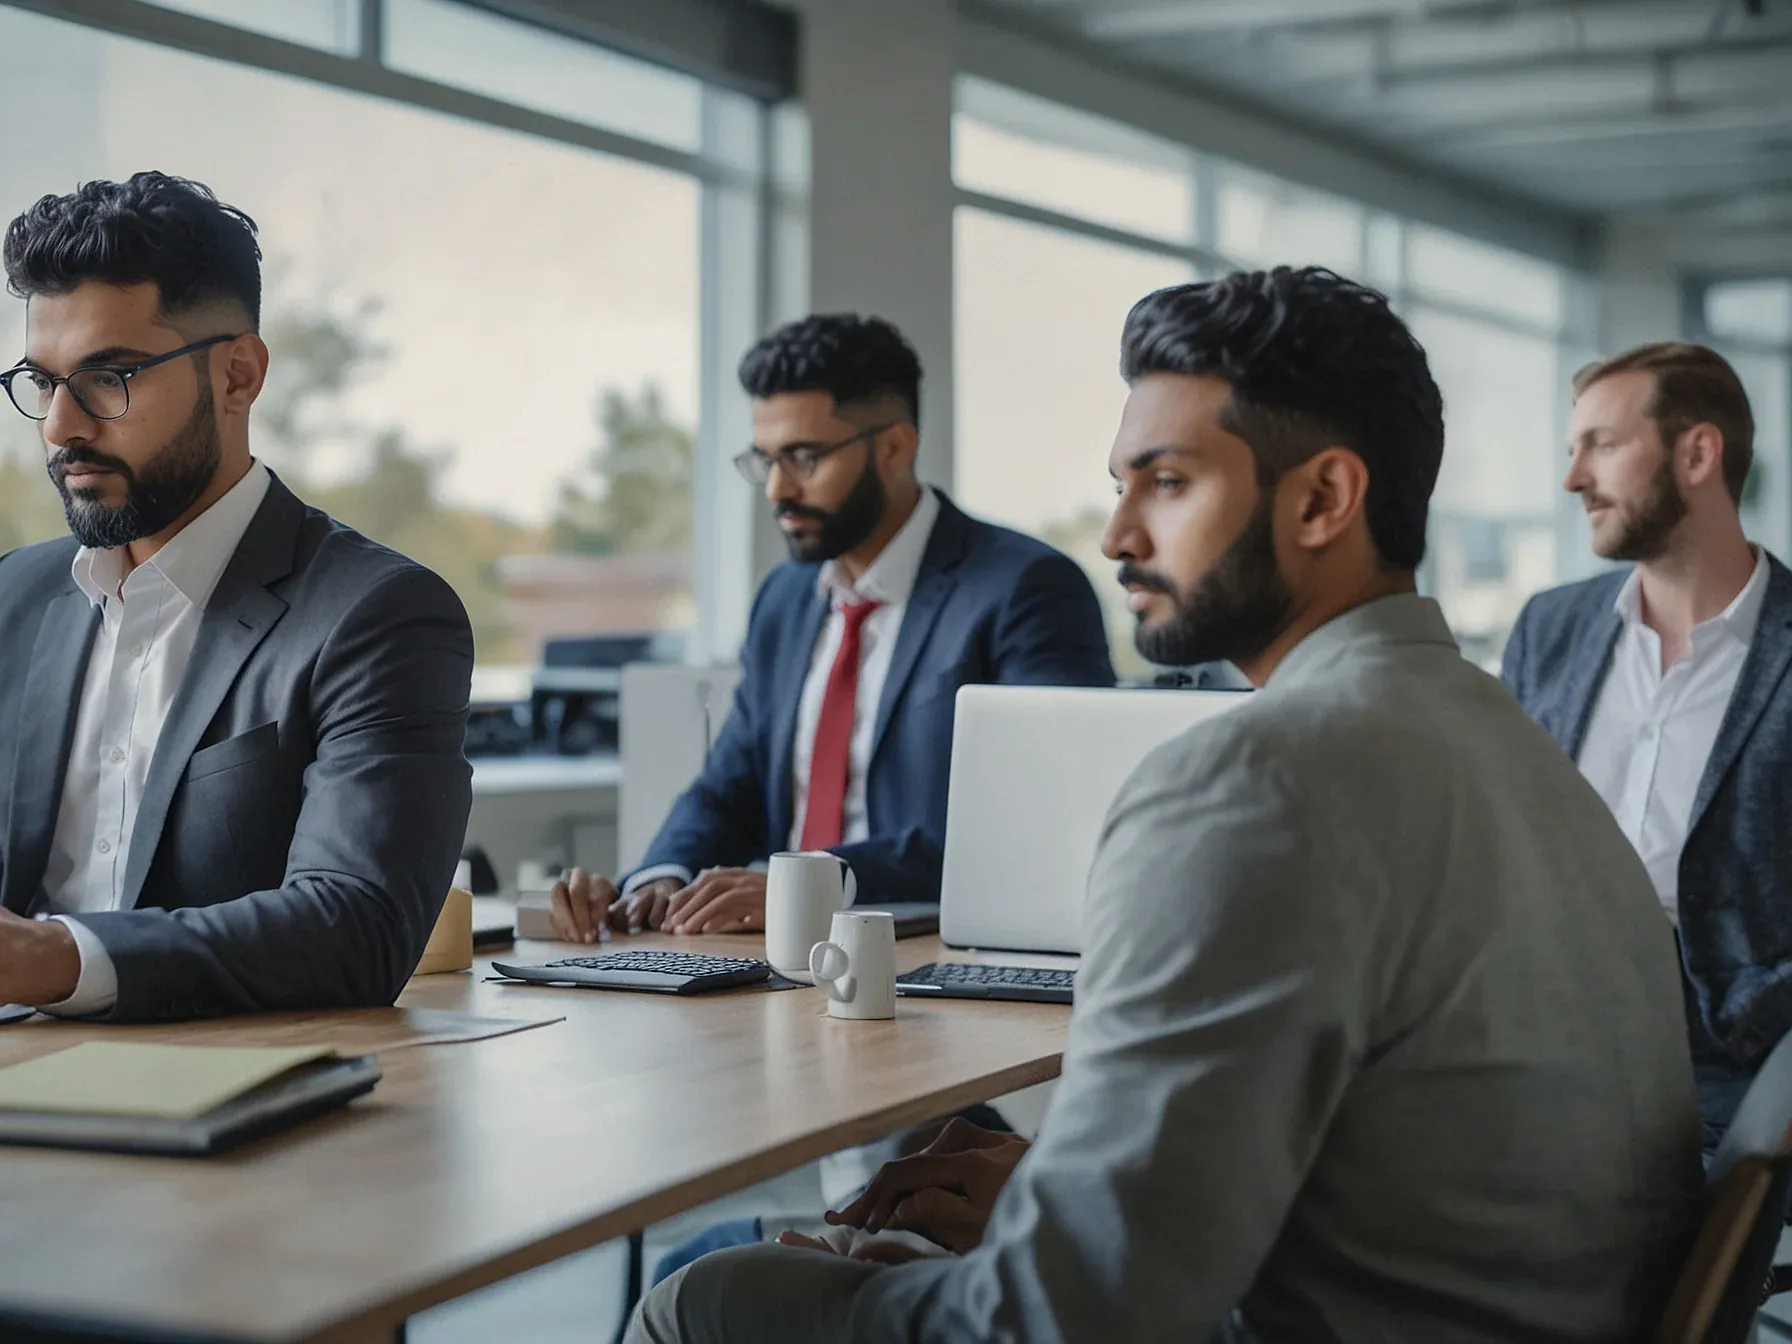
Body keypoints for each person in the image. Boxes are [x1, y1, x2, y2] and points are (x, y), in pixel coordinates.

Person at [626, 268, 1701, 1344]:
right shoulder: (1511, 742)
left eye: (1168, 483)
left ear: (1323, 499)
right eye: (1120, 484)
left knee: (708, 1290)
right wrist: (1062, 1187)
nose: (1116, 536)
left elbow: (1056, 1322)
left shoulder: (1249, 783)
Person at [0, 172, 473, 1021]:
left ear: (238, 376)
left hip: (232, 1101)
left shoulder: (379, 615)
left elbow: (357, 927)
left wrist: (56, 959)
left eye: (109, 378)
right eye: (42, 382)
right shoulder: (11, 597)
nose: (62, 427)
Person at [550, 313, 1113, 941]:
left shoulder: (1025, 588)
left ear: (895, 447)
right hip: (766, 952)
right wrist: (663, 874)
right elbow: (729, 784)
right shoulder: (785, 599)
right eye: (763, 460)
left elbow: (1041, 819)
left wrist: (812, 883)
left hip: (923, 955)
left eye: (804, 458)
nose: (776, 489)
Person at [1502, 340, 1792, 1158]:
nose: (1573, 480)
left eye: (1601, 444)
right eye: (1572, 449)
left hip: (1735, 1055)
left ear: (1698, 452)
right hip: (1539, 1023)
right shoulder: (1549, 629)